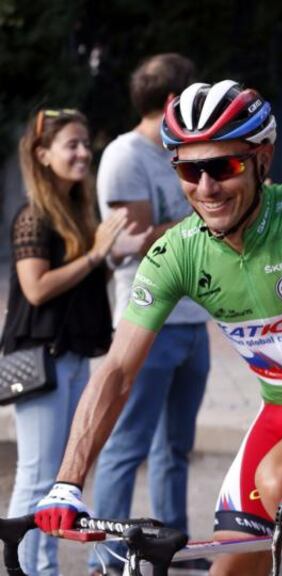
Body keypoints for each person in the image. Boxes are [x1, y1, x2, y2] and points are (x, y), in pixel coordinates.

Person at [31, 81, 282, 576]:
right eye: (190, 169)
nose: (206, 188)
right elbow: (118, 370)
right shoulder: (177, 252)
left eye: (223, 167)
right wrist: (67, 483)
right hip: (281, 413)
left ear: (262, 159)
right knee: (226, 570)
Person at [88, 53, 211, 575]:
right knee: (127, 444)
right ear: (170, 103)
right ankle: (109, 556)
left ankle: (169, 545)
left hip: (192, 323)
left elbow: (170, 229)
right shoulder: (124, 155)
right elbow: (137, 242)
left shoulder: (182, 151)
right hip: (148, 322)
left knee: (175, 447)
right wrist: (208, 215)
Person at [2, 108, 130, 575]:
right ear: (42, 155)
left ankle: (44, 567)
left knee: (60, 478)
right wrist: (95, 252)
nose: (82, 153)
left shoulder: (75, 212)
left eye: (84, 144)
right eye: (70, 145)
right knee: (37, 473)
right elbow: (35, 288)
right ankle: (29, 570)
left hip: (73, 354)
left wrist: (110, 255)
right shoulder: (33, 217)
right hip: (42, 359)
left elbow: (82, 278)